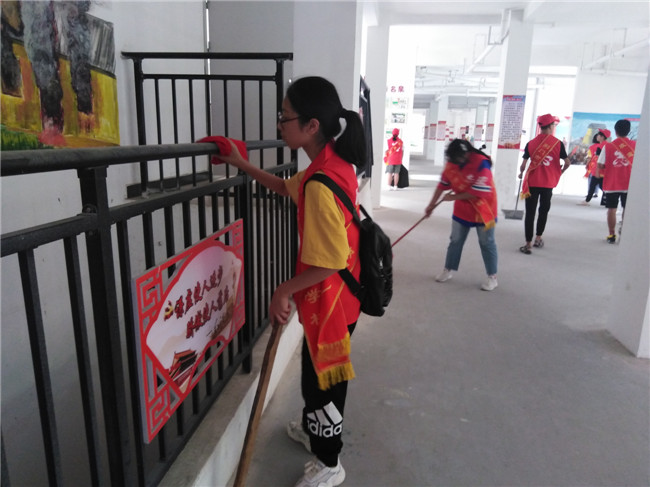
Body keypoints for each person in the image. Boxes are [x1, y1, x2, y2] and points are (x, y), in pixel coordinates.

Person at [215, 76, 364, 487]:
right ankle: (315, 433)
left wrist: (283, 290)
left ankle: (330, 464)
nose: (280, 124)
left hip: (333, 301)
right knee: (313, 375)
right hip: (339, 295)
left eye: (285, 116)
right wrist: (242, 164)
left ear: (311, 125)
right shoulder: (329, 164)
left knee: (325, 383)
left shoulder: (320, 184)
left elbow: (330, 261)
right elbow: (284, 187)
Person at [424, 138, 499, 291]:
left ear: (465, 154)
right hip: (462, 209)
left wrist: (453, 197)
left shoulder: (481, 163)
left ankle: (492, 277)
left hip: (484, 209)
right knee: (455, 240)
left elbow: (478, 192)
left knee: (486, 242)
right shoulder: (452, 163)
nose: (454, 162)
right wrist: (431, 205)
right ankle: (448, 269)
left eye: (457, 159)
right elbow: (442, 185)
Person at [518, 113, 571, 254]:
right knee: (543, 211)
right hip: (548, 184)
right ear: (551, 126)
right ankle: (538, 238)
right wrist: (560, 172)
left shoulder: (531, 143)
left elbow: (523, 165)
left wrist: (521, 173)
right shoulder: (557, 144)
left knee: (530, 212)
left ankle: (527, 243)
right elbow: (567, 163)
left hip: (532, 182)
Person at [598, 119, 635, 243]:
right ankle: (624, 231)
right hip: (629, 183)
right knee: (627, 209)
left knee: (611, 209)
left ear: (615, 131)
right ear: (629, 131)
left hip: (612, 183)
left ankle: (611, 235)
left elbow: (600, 164)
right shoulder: (635, 146)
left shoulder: (608, 146)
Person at [578, 128, 610, 206]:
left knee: (594, 185)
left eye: (599, 135)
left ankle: (587, 200)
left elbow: (599, 159)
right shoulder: (607, 145)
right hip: (603, 170)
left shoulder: (601, 146)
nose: (597, 136)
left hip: (598, 170)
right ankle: (589, 200)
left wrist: (597, 170)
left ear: (602, 137)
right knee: (600, 186)